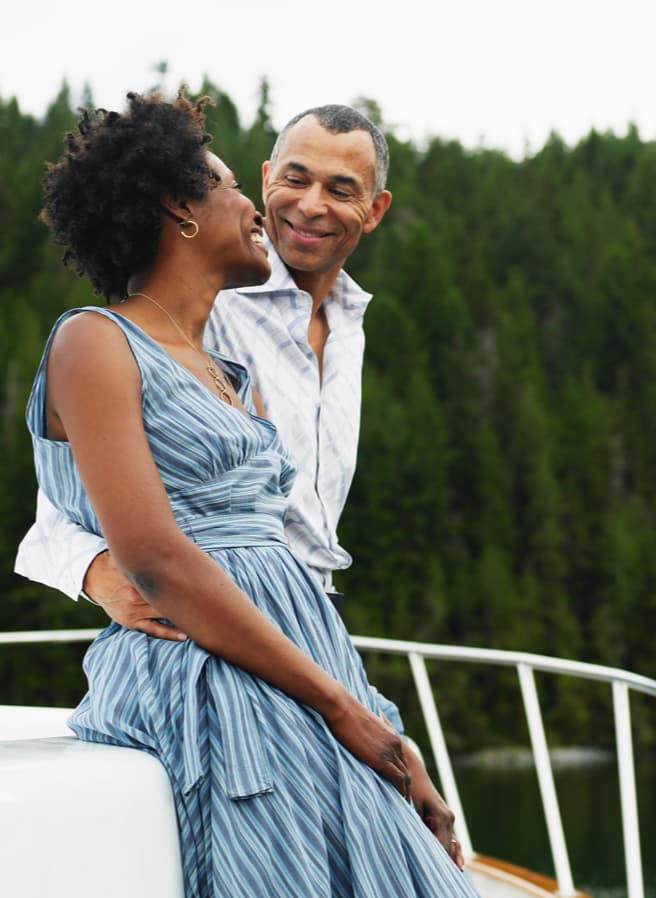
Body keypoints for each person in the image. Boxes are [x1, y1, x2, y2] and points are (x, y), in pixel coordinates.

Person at [26, 90, 476, 897]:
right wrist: (112, 577)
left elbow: (282, 544)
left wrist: (367, 712)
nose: (297, 207)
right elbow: (108, 531)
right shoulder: (115, 336)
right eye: (282, 180)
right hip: (224, 651)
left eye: (341, 189)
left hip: (309, 644)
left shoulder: (271, 356)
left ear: (374, 212)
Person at [16, 102, 387, 638]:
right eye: (296, 179)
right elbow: (66, 487)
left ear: (374, 211)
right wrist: (94, 571)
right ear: (266, 179)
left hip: (315, 623)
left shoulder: (351, 324)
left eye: (341, 190)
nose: (311, 206)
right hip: (217, 629)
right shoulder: (198, 303)